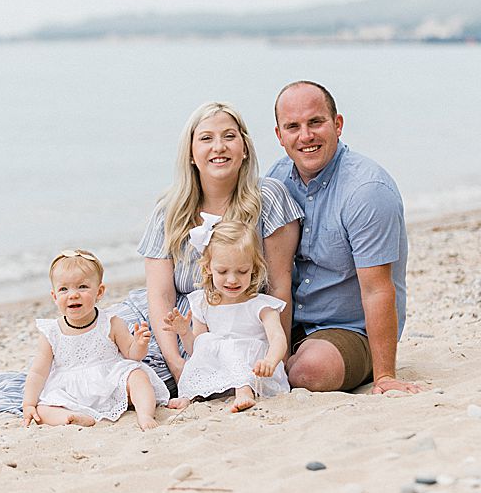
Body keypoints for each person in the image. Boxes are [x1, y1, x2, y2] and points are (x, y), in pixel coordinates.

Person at [115, 102, 303, 395]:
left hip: (232, 323)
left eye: (229, 136)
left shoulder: (268, 197)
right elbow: (159, 295)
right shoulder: (169, 210)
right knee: (103, 354)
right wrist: (177, 363)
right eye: (206, 138)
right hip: (171, 322)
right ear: (191, 153)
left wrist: (281, 356)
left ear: (245, 149)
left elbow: (280, 284)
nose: (219, 147)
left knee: (146, 383)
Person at [265, 81, 419, 395]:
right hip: (289, 321)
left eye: (315, 122)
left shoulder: (367, 191)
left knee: (311, 371)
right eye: (293, 127)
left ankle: (292, 364)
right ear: (280, 136)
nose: (305, 136)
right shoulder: (275, 180)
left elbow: (378, 290)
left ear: (337, 125)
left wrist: (385, 376)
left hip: (349, 330)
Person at [21, 250, 173, 431]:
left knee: (138, 376)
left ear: (99, 292)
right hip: (72, 390)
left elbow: (132, 355)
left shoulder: (111, 322)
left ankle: (145, 414)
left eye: (82, 287)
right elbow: (38, 373)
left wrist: (139, 344)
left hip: (110, 381)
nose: (73, 295)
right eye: (63, 289)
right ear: (54, 297)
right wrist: (28, 403)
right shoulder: (51, 332)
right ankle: (72, 417)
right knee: (43, 409)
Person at [162, 221, 289, 411]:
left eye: (242, 271)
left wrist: (270, 361)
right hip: (220, 372)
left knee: (229, 345)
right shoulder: (203, 303)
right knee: (205, 341)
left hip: (255, 372)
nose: (232, 279)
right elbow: (196, 349)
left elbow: (278, 338)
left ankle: (244, 390)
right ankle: (190, 395)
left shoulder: (261, 305)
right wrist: (183, 332)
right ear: (208, 268)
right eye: (222, 271)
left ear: (254, 268)